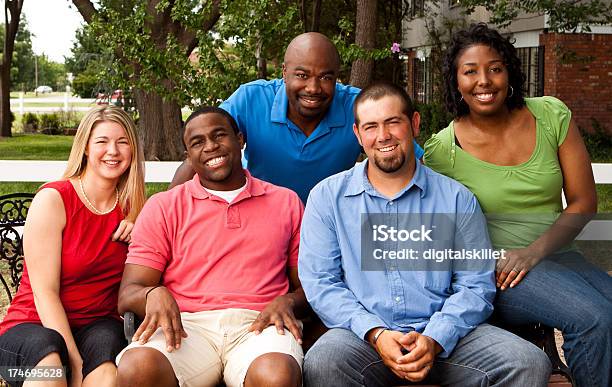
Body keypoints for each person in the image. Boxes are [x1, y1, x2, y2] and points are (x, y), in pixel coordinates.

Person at [298, 82, 551, 387]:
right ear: (358, 135)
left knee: (528, 363)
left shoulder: (456, 199)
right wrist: (376, 333)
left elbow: (475, 285)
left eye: (393, 122)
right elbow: (321, 283)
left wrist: (435, 338)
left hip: (448, 340)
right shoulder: (328, 197)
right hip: (364, 341)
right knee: (324, 362)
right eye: (371, 126)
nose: (383, 136)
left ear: (414, 124)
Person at [424, 23, 612, 387]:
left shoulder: (550, 115)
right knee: (595, 318)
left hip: (558, 254)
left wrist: (533, 251)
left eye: (495, 68)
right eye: (470, 71)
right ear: (455, 81)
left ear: (509, 70)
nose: (484, 80)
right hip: (502, 272)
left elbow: (584, 201)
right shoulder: (442, 151)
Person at [115, 107, 306, 387]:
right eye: (197, 142)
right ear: (188, 156)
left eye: (219, 135)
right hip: (185, 326)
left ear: (240, 140)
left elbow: (310, 288)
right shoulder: (164, 206)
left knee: (275, 375)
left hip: (260, 325)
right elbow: (128, 293)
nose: (211, 147)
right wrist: (152, 294)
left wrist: (288, 301)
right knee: (137, 367)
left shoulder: (285, 202)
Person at [170, 32, 424, 203]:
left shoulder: (358, 106)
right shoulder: (251, 99)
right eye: (302, 75)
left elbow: (408, 156)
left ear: (337, 76)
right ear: (284, 72)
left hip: (329, 220)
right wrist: (156, 218)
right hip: (261, 217)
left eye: (325, 77)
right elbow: (202, 151)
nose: (313, 88)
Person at [0, 106, 146, 387]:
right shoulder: (54, 199)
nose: (113, 151)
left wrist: (140, 222)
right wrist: (75, 364)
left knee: (107, 375)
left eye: (123, 142)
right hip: (33, 324)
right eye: (102, 141)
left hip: (98, 324)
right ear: (86, 149)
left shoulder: (135, 209)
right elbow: (45, 294)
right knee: (52, 371)